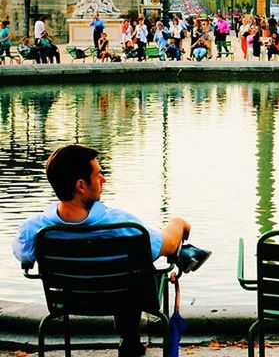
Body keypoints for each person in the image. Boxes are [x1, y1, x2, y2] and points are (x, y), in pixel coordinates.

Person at [13, 145, 211, 357]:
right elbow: (168, 244)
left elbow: (24, 256)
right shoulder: (122, 225)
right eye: (98, 175)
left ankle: (129, 339)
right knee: (135, 274)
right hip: (123, 297)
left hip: (69, 300)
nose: (103, 180)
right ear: (81, 185)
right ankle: (130, 339)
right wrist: (178, 223)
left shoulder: (34, 230)